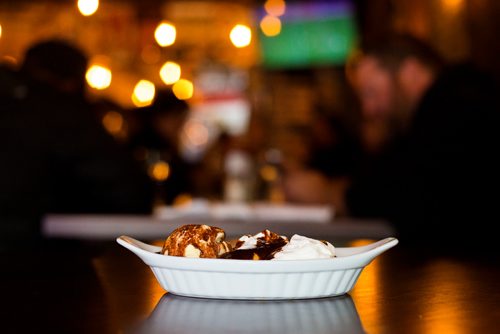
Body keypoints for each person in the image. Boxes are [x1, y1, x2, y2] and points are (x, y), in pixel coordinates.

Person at [282, 34, 500, 255]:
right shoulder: (452, 101)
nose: (368, 109)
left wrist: (330, 195)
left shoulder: (456, 104)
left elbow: (405, 192)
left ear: (411, 73)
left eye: (372, 93)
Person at [0, 39, 154, 250]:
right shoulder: (61, 113)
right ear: (73, 80)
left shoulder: (14, 104)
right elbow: (130, 189)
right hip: (31, 253)